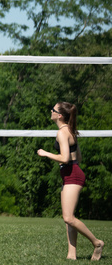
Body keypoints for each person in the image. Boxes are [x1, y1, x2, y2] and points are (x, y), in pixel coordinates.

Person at [37, 102, 104, 261]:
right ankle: (71, 254)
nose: (50, 111)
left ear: (59, 115)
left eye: (53, 110)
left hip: (72, 175)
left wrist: (46, 153)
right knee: (69, 218)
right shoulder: (70, 130)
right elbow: (78, 157)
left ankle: (97, 243)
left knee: (68, 218)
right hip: (70, 174)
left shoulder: (62, 133)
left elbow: (65, 158)